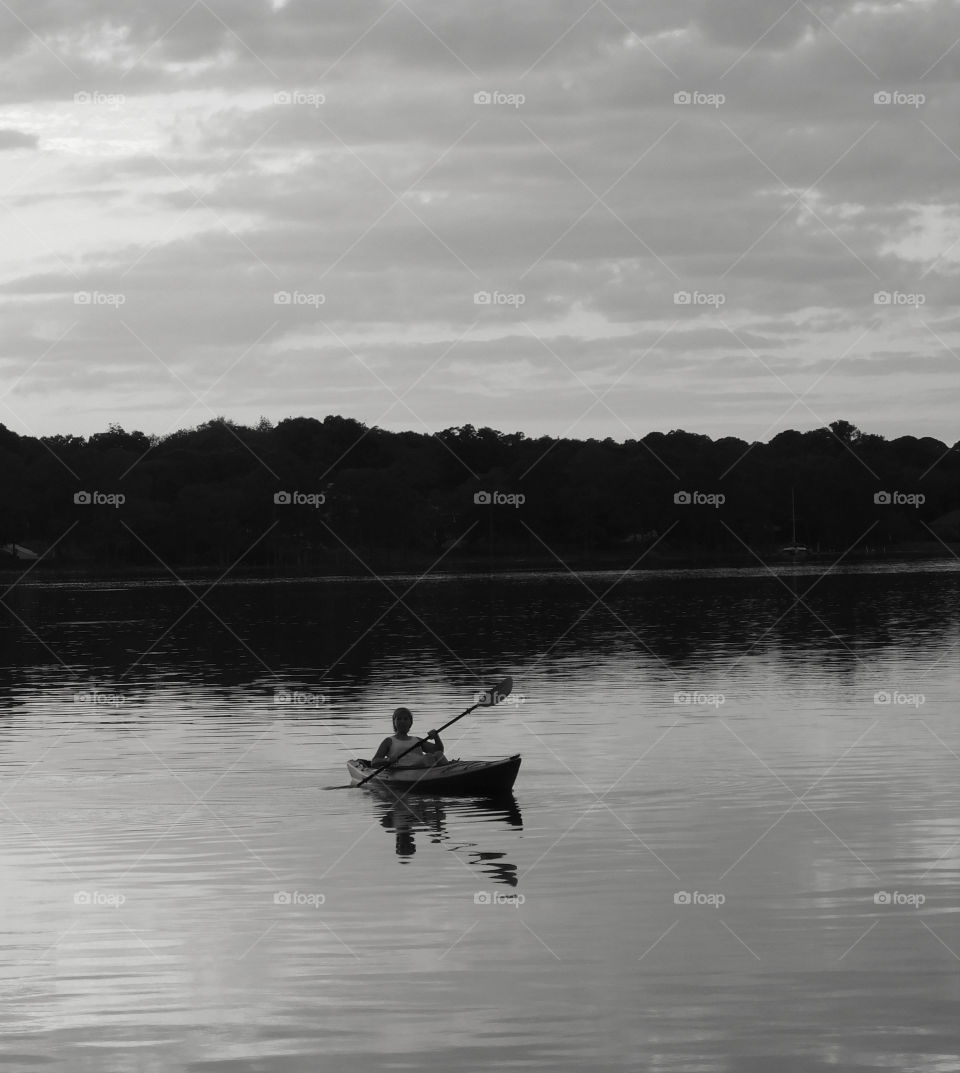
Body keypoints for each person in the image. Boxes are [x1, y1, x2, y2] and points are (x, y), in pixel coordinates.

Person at [372, 707, 446, 769]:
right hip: (403, 770)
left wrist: (436, 737)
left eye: (405, 719)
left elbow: (439, 750)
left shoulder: (417, 740)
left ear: (410, 722)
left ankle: (448, 772)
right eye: (399, 719)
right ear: (394, 722)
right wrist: (388, 760)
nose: (402, 721)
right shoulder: (389, 741)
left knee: (438, 754)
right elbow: (374, 762)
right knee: (428, 757)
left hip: (421, 769)